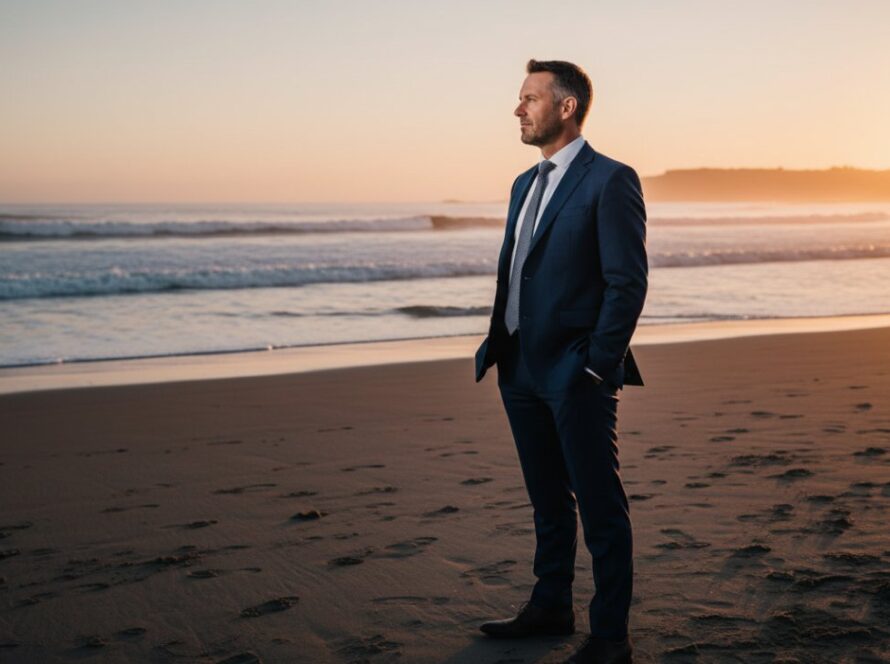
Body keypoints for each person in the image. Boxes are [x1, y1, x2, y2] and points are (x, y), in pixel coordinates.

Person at [474, 59, 647, 664]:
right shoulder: (525, 183)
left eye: (529, 98)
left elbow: (627, 282)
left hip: (577, 372)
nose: (518, 109)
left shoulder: (610, 180)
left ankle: (609, 638)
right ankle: (551, 605)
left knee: (600, 506)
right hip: (518, 365)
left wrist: (598, 365)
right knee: (547, 500)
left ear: (566, 106)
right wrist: (500, 349)